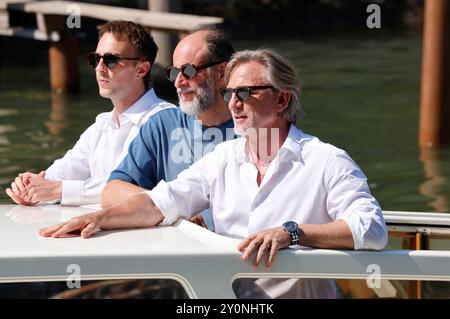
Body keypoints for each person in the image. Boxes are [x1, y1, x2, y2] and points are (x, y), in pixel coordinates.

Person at [40, 49, 388, 298]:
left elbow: (370, 229)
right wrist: (100, 218)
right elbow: (163, 202)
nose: (233, 103)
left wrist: (291, 233)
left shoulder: (327, 161)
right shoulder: (223, 158)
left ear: (281, 101)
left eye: (246, 93)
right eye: (229, 93)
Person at [5, 21, 175, 206]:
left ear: (141, 69)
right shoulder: (102, 125)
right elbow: (67, 168)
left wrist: (57, 190)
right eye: (95, 59)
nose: (99, 68)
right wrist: (32, 186)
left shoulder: (165, 121)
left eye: (110, 60)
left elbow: (137, 190)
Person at [100, 29, 235, 223]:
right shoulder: (162, 125)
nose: (179, 82)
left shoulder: (255, 131)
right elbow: (112, 191)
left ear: (222, 72)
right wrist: (171, 208)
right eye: (174, 72)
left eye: (189, 70)